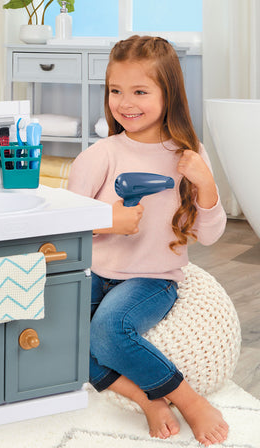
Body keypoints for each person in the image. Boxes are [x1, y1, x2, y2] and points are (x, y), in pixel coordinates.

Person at [68, 35, 229, 446]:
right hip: (96, 270)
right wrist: (107, 221)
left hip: (152, 279)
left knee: (107, 331)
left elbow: (209, 235)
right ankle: (145, 397)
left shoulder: (188, 156)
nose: (125, 102)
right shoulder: (100, 155)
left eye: (140, 91)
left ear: (168, 93)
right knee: (56, 333)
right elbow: (64, 223)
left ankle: (188, 401)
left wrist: (206, 185)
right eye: (116, 91)